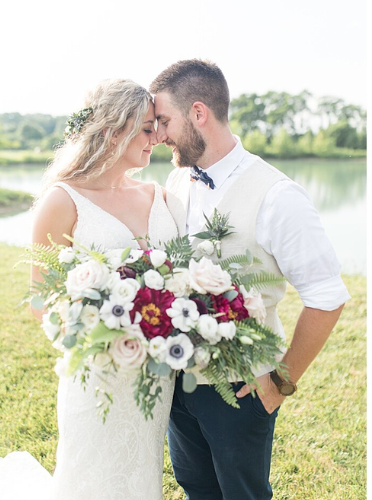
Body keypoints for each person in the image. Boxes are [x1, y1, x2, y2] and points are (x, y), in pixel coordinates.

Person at [0, 79, 186, 500]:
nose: (157, 138)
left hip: (155, 373)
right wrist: (99, 329)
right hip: (97, 371)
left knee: (141, 472)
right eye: (146, 128)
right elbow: (40, 299)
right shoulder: (62, 201)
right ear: (111, 130)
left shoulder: (161, 195)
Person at [152, 59, 349, 500]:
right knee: (195, 486)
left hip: (244, 390)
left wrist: (280, 382)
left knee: (243, 494)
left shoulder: (279, 196)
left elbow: (327, 297)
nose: (160, 133)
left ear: (198, 113)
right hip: (179, 383)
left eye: (164, 120)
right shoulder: (176, 179)